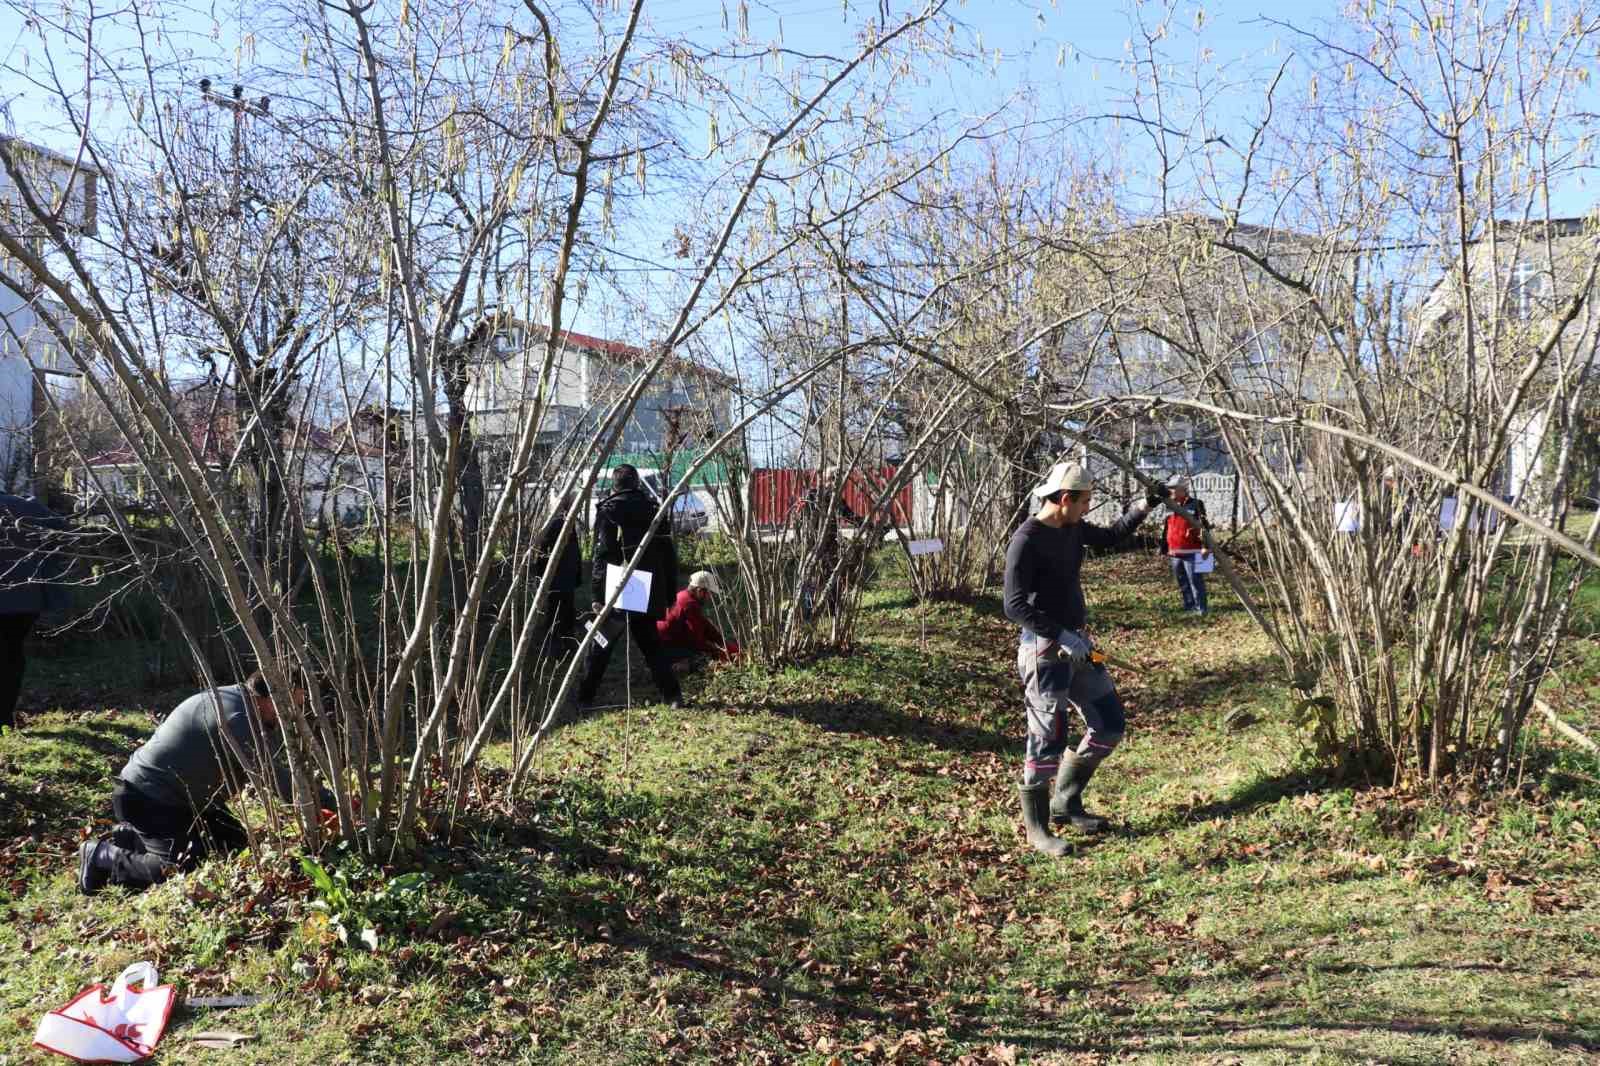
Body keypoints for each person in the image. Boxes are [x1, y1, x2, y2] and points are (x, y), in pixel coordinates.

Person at [1002, 462, 1166, 855]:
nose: (1087, 509)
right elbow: (1014, 605)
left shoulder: (1072, 529)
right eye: (1085, 501)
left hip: (1079, 644)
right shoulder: (1027, 539)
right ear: (1063, 499)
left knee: (1109, 723)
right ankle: (1037, 829)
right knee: (1046, 739)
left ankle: (1066, 801)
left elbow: (1110, 537)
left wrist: (1144, 506)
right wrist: (1059, 635)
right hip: (1044, 650)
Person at [77, 669, 330, 894]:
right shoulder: (235, 717)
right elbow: (272, 776)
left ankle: (134, 838)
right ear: (271, 697)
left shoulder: (236, 700)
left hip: (183, 800)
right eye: (290, 706)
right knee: (176, 869)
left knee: (233, 843)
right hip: (147, 798)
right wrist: (329, 802)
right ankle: (100, 854)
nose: (293, 715)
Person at [577, 464, 683, 707]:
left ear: (615, 485)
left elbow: (601, 555)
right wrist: (669, 592)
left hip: (616, 587)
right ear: (636, 484)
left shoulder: (608, 511)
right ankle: (672, 696)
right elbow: (668, 555)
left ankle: (585, 698)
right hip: (645, 587)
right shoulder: (654, 510)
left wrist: (596, 593)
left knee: (601, 644)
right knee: (651, 644)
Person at [0, 493, 70, 730]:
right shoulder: (23, 506)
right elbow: (63, 530)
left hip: (20, 600)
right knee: (11, 655)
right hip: (23, 600)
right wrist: (43, 561)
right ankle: (4, 717)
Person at [795, 466, 862, 620]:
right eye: (834, 480)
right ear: (825, 479)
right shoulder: (812, 495)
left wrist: (870, 524)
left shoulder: (835, 498)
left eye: (838, 481)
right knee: (810, 578)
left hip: (829, 544)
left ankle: (833, 611)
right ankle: (807, 613)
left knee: (831, 576)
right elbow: (800, 518)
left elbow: (850, 516)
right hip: (813, 544)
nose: (836, 484)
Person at [534, 493, 582, 658]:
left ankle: (567, 646)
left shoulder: (567, 524)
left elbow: (574, 553)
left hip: (565, 578)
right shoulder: (557, 524)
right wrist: (543, 577)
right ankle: (552, 649)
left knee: (566, 613)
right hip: (557, 579)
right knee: (556, 614)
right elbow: (543, 554)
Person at [658, 570, 740, 662]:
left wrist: (721, 641)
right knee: (700, 658)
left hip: (665, 637)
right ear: (699, 590)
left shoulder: (684, 595)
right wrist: (717, 651)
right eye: (708, 593)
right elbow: (696, 639)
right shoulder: (689, 603)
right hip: (664, 643)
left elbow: (703, 623)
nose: (709, 597)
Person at [1161, 475, 1211, 616]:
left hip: (1193, 550)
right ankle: (1189, 607)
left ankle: (1201, 608)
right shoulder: (1169, 505)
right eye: (1169, 488)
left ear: (1183, 489)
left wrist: (1206, 546)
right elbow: (1167, 527)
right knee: (1182, 581)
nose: (1170, 491)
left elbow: (1204, 526)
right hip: (1174, 550)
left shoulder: (1196, 504)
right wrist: (1164, 547)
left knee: (1196, 581)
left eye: (1173, 488)